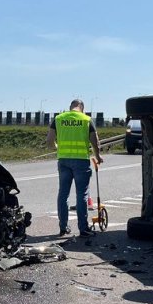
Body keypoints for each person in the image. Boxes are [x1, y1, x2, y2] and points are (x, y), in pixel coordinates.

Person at [46, 99, 104, 237]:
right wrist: (98, 156)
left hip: (64, 160)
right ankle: (83, 229)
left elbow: (49, 141)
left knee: (63, 193)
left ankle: (63, 227)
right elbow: (94, 140)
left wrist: (58, 149)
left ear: (70, 107)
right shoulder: (86, 119)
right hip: (81, 161)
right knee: (81, 194)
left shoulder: (58, 119)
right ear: (82, 108)